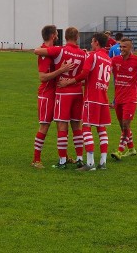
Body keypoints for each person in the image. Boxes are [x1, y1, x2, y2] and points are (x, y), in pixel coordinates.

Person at [34, 27, 87, 169]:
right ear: (53, 35)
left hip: (60, 92)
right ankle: (36, 159)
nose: (58, 35)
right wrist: (61, 71)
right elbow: (42, 77)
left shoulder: (57, 50)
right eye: (56, 33)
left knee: (63, 124)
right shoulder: (46, 53)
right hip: (47, 93)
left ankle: (64, 157)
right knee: (45, 125)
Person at [58, 32, 112, 171]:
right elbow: (95, 79)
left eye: (92, 41)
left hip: (92, 98)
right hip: (103, 98)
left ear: (96, 42)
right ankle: (103, 162)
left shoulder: (93, 56)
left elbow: (84, 73)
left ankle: (89, 164)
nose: (91, 44)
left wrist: (69, 81)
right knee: (101, 129)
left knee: (86, 128)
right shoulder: (108, 58)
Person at [109, 38, 137, 161]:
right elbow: (104, 65)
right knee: (123, 127)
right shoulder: (115, 60)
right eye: (121, 47)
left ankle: (119, 151)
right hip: (118, 98)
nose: (121, 49)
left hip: (131, 98)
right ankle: (132, 149)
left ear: (130, 48)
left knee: (126, 124)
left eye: (124, 47)